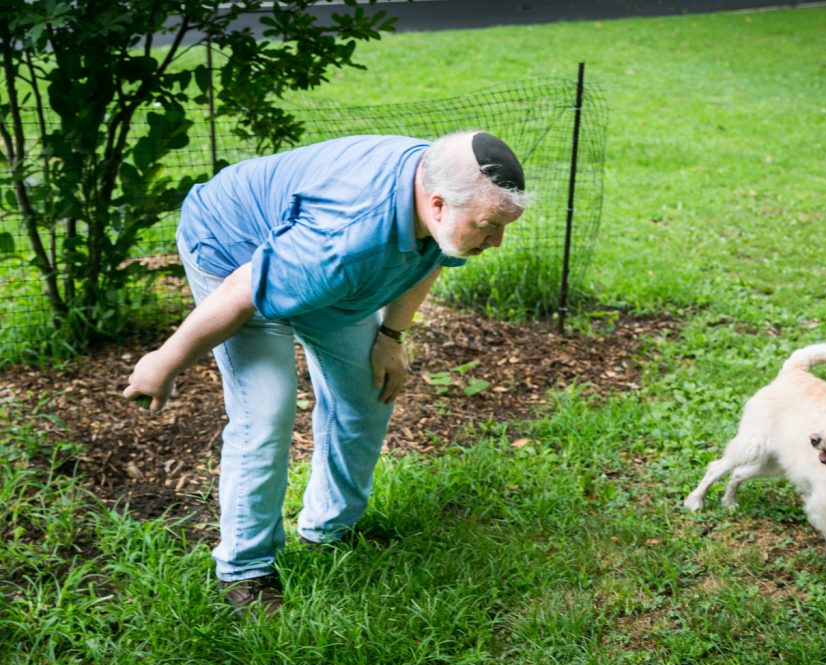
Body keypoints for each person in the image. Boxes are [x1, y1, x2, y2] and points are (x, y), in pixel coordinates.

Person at [123, 131, 526, 617]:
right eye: (488, 226)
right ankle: (245, 569)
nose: (497, 241)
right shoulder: (346, 238)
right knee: (266, 411)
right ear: (436, 205)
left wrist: (391, 337)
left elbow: (432, 257)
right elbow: (243, 288)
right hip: (236, 252)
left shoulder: (443, 186)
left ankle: (329, 531)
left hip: (325, 268)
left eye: (503, 226)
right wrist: (165, 360)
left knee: (366, 393)